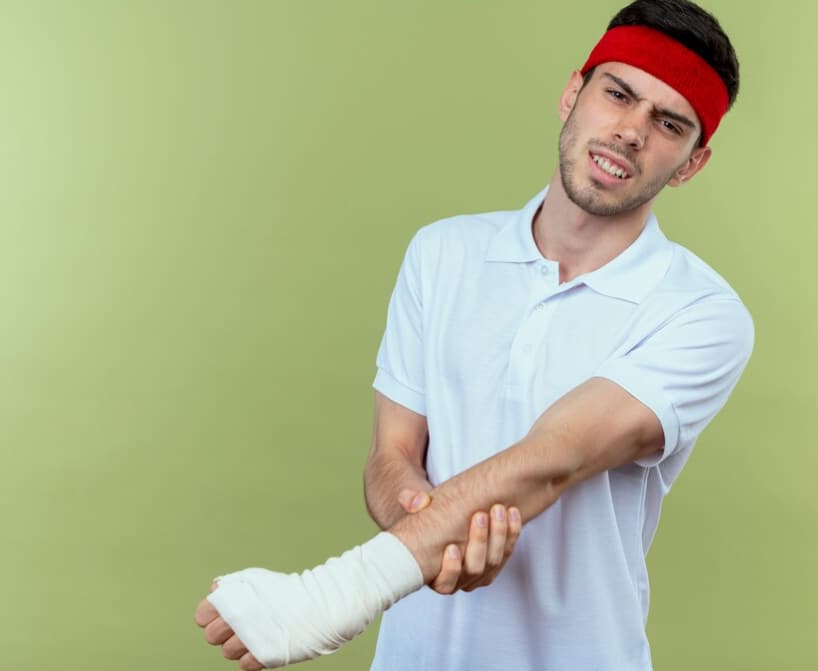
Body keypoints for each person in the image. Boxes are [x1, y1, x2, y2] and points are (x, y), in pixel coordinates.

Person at [194, 0, 752, 669]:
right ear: (572, 93)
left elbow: (557, 454)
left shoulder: (699, 312)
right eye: (617, 94)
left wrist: (331, 595)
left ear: (691, 163)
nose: (631, 131)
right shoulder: (442, 253)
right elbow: (391, 455)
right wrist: (436, 537)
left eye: (668, 123)